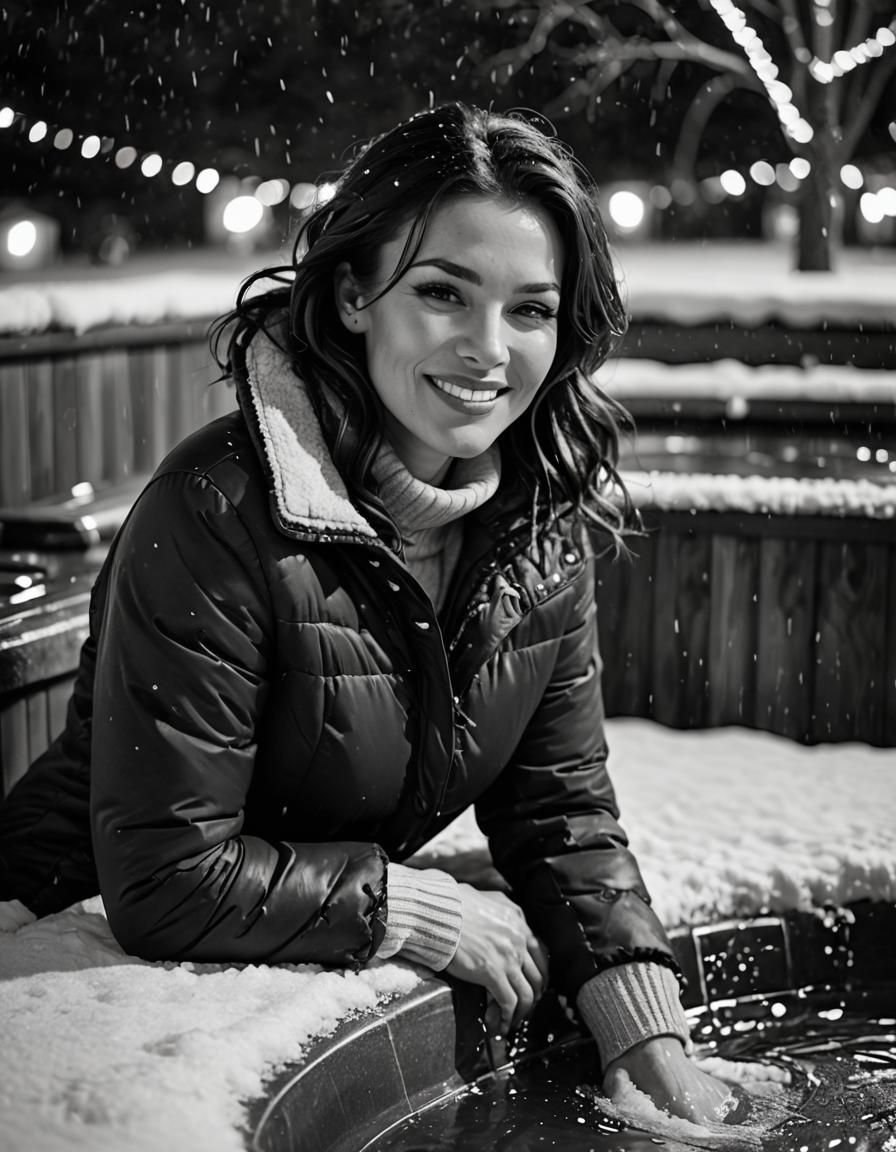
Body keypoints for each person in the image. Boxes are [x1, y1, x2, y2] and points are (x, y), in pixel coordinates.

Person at [0, 103, 731, 1124]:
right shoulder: (214, 509)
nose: (488, 350)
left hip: (278, 929)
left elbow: (558, 811)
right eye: (442, 294)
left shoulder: (532, 523)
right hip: (64, 937)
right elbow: (165, 873)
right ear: (352, 295)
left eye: (529, 310)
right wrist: (408, 905)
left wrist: (643, 1034)